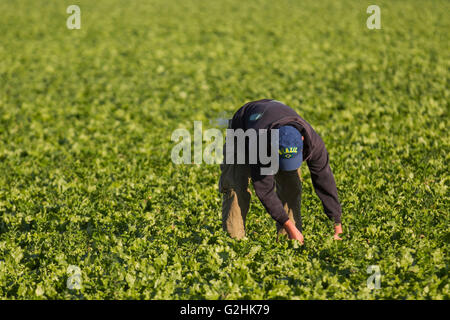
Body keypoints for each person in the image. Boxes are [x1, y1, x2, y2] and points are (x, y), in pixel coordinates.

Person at [219, 99, 343, 243]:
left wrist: (337, 226)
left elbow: (324, 181)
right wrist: (289, 225)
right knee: (236, 186)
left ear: (302, 140)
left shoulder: (314, 143)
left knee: (291, 187)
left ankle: (290, 242)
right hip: (242, 133)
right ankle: (234, 243)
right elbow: (265, 191)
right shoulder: (260, 143)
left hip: (272, 125)